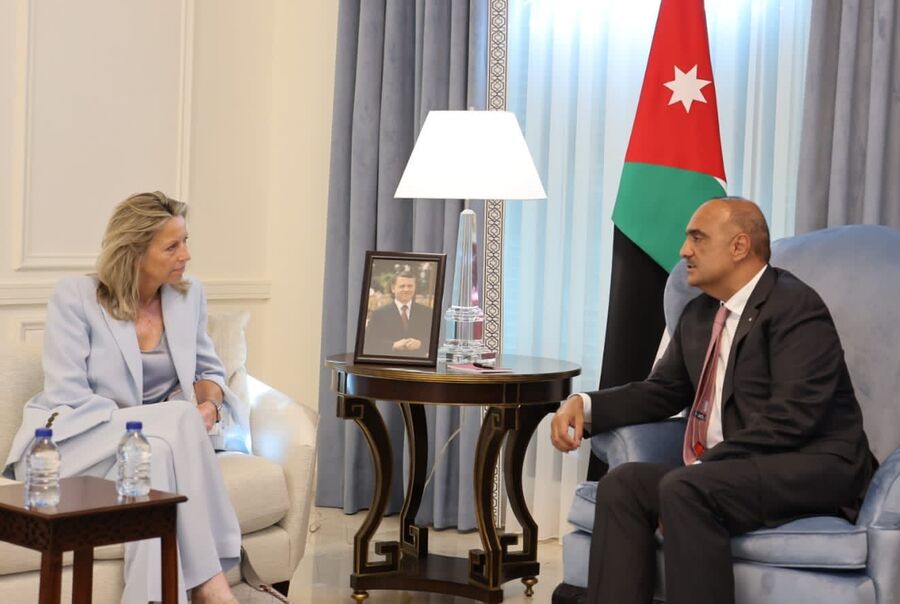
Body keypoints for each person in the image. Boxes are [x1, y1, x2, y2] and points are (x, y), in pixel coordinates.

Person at [550, 197, 876, 604]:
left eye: (697, 238)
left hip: (813, 465)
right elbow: (662, 391)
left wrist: (707, 465)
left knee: (686, 487)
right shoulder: (700, 314)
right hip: (734, 469)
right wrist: (585, 404)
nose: (684, 250)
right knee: (623, 485)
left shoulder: (795, 307)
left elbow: (795, 415)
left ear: (739, 246)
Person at [3, 192, 248, 604]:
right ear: (135, 251)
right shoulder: (75, 296)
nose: (185, 255)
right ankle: (212, 585)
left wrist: (210, 405)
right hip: (69, 442)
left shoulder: (188, 297)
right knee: (176, 421)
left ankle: (150, 598)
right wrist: (159, 418)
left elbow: (210, 372)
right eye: (172, 246)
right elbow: (67, 394)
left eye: (186, 241)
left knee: (156, 455)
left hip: (140, 448)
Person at [363, 271, 432, 357]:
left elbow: (435, 340)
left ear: (415, 288)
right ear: (393, 289)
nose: (406, 289)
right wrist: (393, 345)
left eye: (410, 286)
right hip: (390, 361)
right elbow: (369, 343)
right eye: (402, 286)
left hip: (418, 362)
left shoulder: (427, 313)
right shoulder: (379, 314)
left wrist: (421, 344)